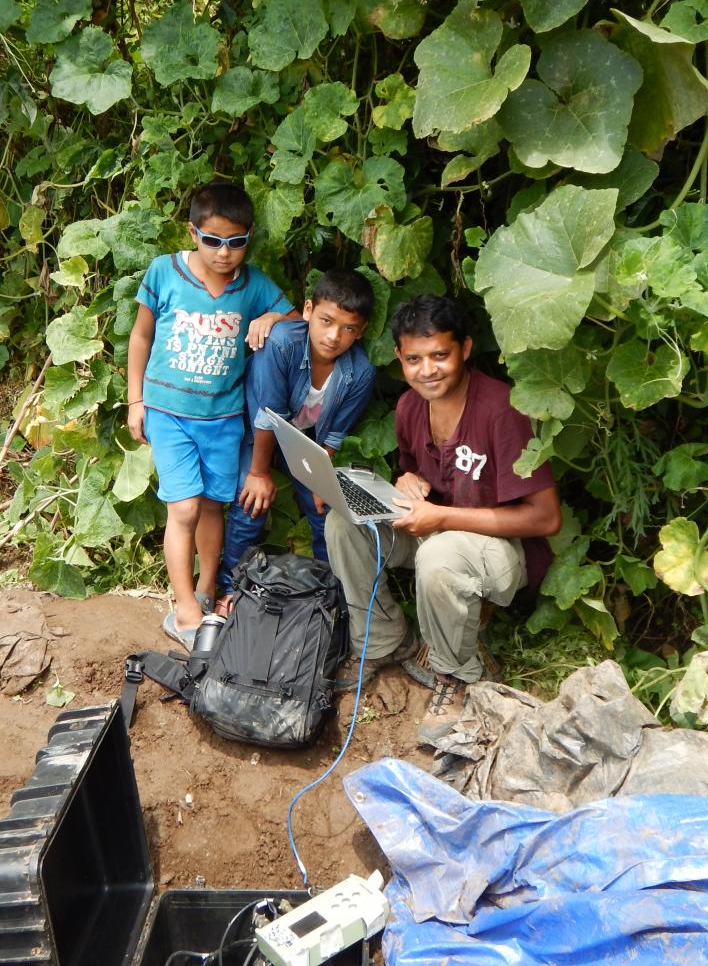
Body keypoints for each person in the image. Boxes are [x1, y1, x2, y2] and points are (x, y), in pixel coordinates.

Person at [324, 295, 562, 746]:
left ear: (466, 349)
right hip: (436, 531)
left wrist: (442, 517)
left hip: (499, 554)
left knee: (438, 551)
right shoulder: (411, 407)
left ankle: (456, 674)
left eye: (440, 356)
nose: (427, 370)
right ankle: (382, 641)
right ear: (399, 358)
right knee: (344, 522)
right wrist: (407, 478)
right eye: (414, 359)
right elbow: (414, 468)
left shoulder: (502, 409)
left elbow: (546, 518)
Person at [126, 182, 295, 649]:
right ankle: (182, 608)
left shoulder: (254, 284)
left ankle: (205, 590)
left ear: (249, 238)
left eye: (236, 242)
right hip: (168, 411)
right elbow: (141, 338)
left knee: (212, 506)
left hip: (223, 418)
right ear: (193, 232)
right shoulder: (164, 272)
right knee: (182, 507)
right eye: (213, 240)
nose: (225, 253)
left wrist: (271, 319)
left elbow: (297, 317)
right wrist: (135, 400)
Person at [220, 269, 377, 590]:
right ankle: (230, 589)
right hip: (256, 432)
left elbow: (334, 434)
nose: (334, 336)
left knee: (325, 510)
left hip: (303, 442)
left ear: (361, 331)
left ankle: (325, 595)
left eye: (348, 329)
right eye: (326, 321)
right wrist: (259, 475)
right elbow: (268, 416)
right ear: (308, 311)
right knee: (250, 501)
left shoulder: (360, 372)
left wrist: (321, 480)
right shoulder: (281, 343)